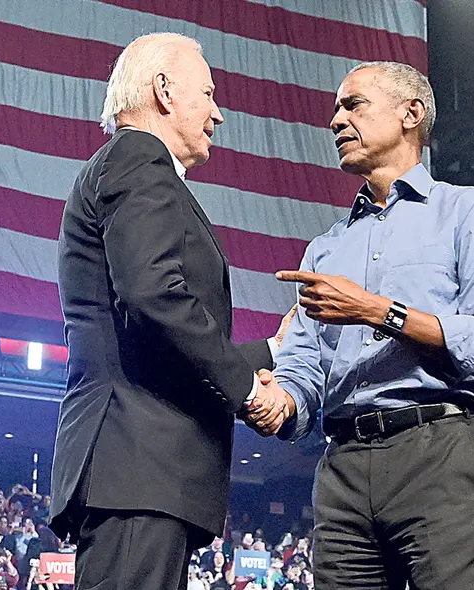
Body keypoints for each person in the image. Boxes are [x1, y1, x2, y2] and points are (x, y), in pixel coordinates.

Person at [262, 60, 474, 589]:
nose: (336, 120)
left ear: (411, 113)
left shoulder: (468, 212)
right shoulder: (324, 249)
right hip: (341, 468)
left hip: (440, 453)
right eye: (336, 109)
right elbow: (304, 370)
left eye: (353, 104)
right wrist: (278, 401)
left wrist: (378, 311)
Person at [50, 32, 294, 590]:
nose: (218, 113)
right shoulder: (139, 158)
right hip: (138, 469)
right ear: (163, 90)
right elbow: (153, 296)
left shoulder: (135, 168)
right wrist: (249, 389)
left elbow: (150, 343)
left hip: (144, 474)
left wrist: (271, 353)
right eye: (208, 94)